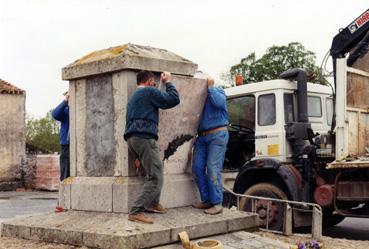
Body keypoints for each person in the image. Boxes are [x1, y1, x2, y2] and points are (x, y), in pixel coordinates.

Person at [124, 70, 180, 224]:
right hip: (145, 137)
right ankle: (136, 211)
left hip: (133, 138)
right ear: (149, 82)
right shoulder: (149, 91)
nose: (155, 86)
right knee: (156, 177)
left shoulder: (134, 96)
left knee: (153, 172)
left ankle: (153, 203)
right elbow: (173, 99)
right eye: (154, 83)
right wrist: (168, 81)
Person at [192, 77, 229, 215]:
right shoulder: (197, 97)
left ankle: (217, 203)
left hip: (218, 134)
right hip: (201, 137)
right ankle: (207, 200)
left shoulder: (217, 91)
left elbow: (219, 102)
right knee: (196, 168)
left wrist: (211, 87)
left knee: (213, 168)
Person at [52, 91, 70, 182]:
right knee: (65, 168)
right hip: (66, 144)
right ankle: (64, 182)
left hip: (76, 143)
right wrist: (65, 101)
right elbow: (55, 114)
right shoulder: (66, 110)